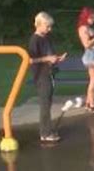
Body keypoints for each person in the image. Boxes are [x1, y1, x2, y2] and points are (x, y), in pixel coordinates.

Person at [28, 11, 67, 142]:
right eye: (47, 26)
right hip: (41, 75)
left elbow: (49, 56)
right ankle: (45, 133)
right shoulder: (35, 40)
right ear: (38, 25)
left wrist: (56, 59)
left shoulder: (46, 38)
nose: (49, 29)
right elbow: (30, 60)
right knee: (45, 104)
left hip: (49, 73)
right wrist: (47, 58)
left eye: (50, 26)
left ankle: (48, 129)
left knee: (48, 103)